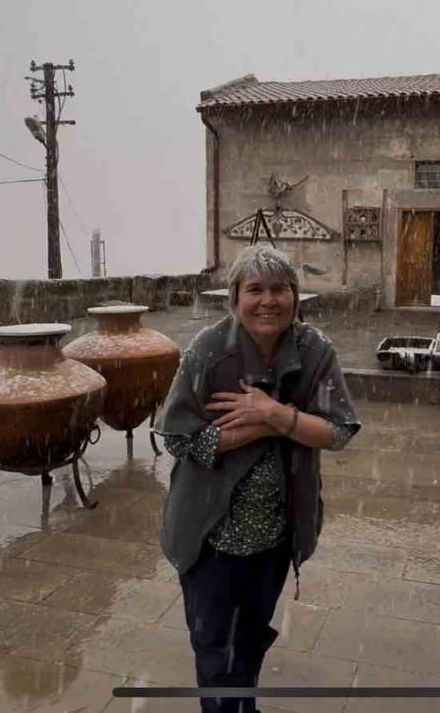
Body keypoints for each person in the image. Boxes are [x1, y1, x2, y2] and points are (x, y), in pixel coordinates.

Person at [156, 245, 361, 713]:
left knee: (248, 641)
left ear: (295, 296)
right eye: (255, 290)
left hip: (274, 537)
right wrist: (264, 427)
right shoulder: (208, 350)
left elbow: (339, 431)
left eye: (280, 289)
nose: (268, 301)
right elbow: (177, 438)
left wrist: (273, 414)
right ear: (235, 298)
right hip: (210, 539)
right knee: (215, 649)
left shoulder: (314, 351)